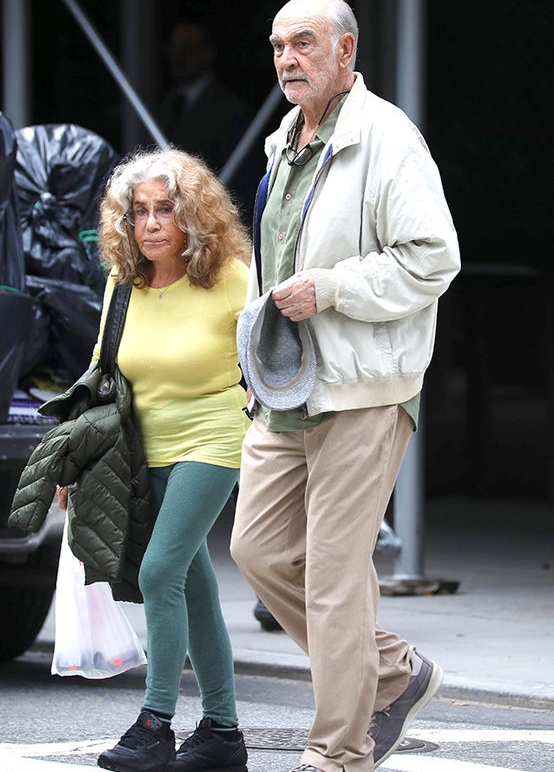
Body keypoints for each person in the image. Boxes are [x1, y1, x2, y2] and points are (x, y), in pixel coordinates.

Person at [229, 2, 461, 772]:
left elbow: (432, 258)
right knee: (259, 551)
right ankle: (394, 671)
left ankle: (338, 753)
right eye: (277, 46)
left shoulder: (387, 138)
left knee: (333, 573)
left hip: (364, 391)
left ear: (345, 49)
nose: (287, 58)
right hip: (286, 389)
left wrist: (329, 287)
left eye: (303, 43)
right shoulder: (281, 144)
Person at [92, 147, 252, 772]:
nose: (152, 223)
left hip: (213, 437)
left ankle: (156, 723)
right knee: (194, 586)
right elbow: (101, 370)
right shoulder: (122, 284)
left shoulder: (234, 275)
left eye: (166, 210)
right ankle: (222, 733)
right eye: (140, 212)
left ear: (193, 217)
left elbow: (275, 356)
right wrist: (73, 461)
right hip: (143, 447)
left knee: (161, 572)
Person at [158, 20, 259, 223]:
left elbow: (243, 182)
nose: (179, 56)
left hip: (209, 221)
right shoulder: (170, 103)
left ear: (207, 53)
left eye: (187, 48)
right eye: (174, 48)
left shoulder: (228, 109)